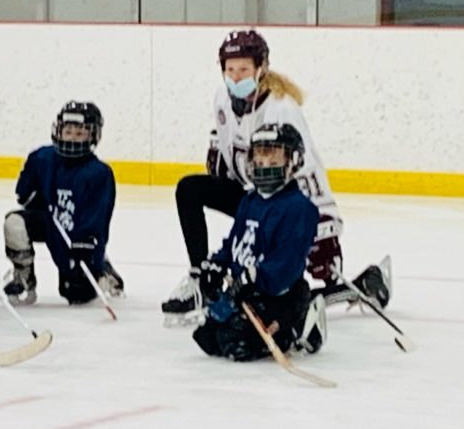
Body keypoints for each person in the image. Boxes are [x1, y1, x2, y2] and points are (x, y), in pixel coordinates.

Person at [161, 29, 390, 323]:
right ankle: (199, 280)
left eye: (244, 69)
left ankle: (363, 285)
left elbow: (308, 170)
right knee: (189, 189)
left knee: (279, 286)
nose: (236, 77)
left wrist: (320, 226)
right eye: (230, 70)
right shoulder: (221, 99)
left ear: (261, 68)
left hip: (288, 206)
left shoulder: (281, 109)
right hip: (253, 198)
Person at [193, 123, 328, 362]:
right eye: (260, 157)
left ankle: (300, 323)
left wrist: (253, 277)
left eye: (273, 158)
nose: (264, 165)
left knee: (237, 343)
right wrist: (217, 264)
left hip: (279, 296)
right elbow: (235, 241)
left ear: (293, 161)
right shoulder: (250, 200)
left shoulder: (298, 209)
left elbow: (286, 265)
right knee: (208, 337)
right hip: (246, 292)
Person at [2, 101, 121, 307]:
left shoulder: (99, 173)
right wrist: (31, 195)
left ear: (93, 136)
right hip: (49, 222)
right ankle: (23, 277)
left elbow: (98, 217)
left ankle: (102, 268)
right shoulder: (42, 158)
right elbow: (23, 192)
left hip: (77, 236)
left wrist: (87, 244)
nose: (72, 138)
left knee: (76, 294)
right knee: (14, 223)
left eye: (79, 133)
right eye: (68, 131)